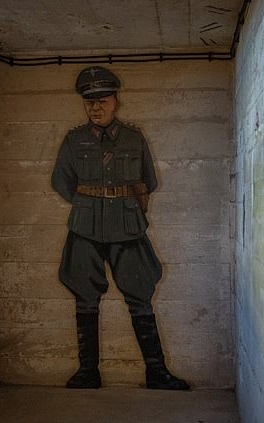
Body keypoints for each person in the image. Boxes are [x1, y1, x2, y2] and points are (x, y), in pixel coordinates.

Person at [51, 66, 190, 391]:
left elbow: (148, 182)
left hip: (127, 228)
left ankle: (157, 373)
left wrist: (116, 202)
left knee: (140, 295)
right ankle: (88, 372)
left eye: (102, 100)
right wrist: (88, 202)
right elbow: (61, 181)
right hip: (85, 227)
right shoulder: (74, 140)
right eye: (89, 102)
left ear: (116, 101)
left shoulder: (133, 138)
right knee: (84, 298)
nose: (95, 107)